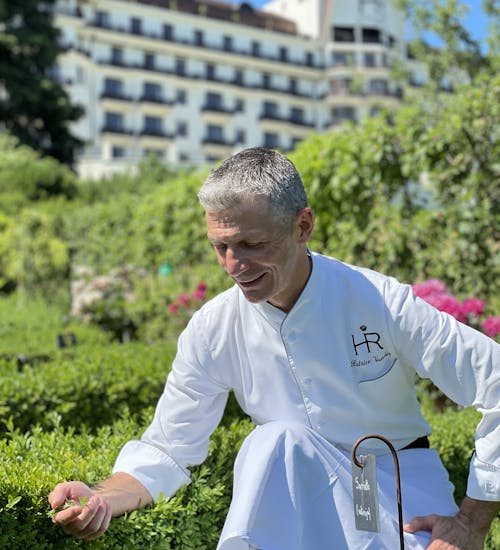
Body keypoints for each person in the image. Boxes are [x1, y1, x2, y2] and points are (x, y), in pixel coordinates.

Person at [50, 147, 499, 549]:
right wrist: (102, 497)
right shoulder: (212, 327)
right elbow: (169, 448)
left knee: (277, 440)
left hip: (393, 483)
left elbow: (495, 379)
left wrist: (471, 523)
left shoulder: (380, 301)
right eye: (220, 247)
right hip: (296, 498)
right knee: (277, 441)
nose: (233, 266)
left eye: (251, 244)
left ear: (303, 225)